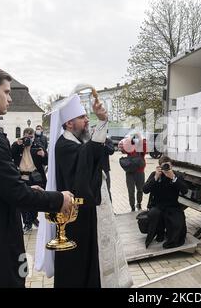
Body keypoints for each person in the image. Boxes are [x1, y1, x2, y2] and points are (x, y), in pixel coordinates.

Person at [0, 65, 74, 288]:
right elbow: (16, 194)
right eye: (6, 92)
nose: (9, 98)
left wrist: (27, 189)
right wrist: (59, 199)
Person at [35, 93, 132, 288]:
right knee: (76, 266)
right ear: (69, 123)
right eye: (82, 117)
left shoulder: (76, 142)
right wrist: (103, 121)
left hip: (85, 216)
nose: (87, 120)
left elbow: (94, 153)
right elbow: (88, 155)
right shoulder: (64, 145)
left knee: (88, 262)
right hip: (73, 218)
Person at [143, 156, 188, 249]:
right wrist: (156, 177)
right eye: (164, 167)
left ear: (172, 166)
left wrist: (173, 178)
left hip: (172, 206)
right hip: (157, 205)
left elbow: (185, 191)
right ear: (159, 167)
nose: (167, 169)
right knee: (154, 214)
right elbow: (145, 190)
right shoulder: (155, 175)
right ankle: (159, 233)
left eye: (168, 166)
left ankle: (170, 235)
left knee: (178, 223)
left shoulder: (176, 175)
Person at [12, 127, 48, 233]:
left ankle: (32, 218)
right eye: (27, 137)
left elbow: (46, 161)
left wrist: (44, 154)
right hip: (22, 177)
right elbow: (10, 154)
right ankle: (28, 223)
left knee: (35, 201)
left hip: (35, 177)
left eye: (31, 137)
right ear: (23, 135)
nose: (29, 139)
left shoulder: (37, 146)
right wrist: (17, 144)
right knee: (23, 202)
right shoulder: (18, 146)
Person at [119, 132, 147, 211]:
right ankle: (132, 207)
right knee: (131, 191)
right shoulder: (129, 146)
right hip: (130, 172)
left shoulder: (141, 147)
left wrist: (140, 138)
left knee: (140, 189)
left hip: (140, 171)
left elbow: (144, 147)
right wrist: (129, 139)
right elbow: (123, 149)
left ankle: (139, 203)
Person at [101, 137, 115, 202]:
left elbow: (111, 151)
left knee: (107, 189)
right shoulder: (92, 140)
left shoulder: (107, 141)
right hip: (94, 171)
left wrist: (104, 144)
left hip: (105, 170)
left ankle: (111, 210)